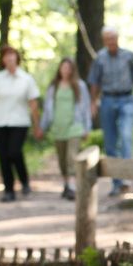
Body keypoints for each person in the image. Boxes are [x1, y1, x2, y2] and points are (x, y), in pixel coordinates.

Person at [87, 26, 133, 195]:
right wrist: (93, 102)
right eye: (107, 39)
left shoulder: (129, 56)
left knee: (126, 136)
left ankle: (126, 177)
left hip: (127, 99)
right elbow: (95, 83)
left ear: (117, 38)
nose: (111, 41)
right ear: (104, 40)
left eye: (113, 38)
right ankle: (116, 183)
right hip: (108, 100)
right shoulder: (100, 58)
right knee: (110, 142)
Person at [0, 46, 41, 202]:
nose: (10, 58)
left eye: (12, 55)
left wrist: (37, 126)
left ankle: (24, 180)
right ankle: (9, 189)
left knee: (14, 152)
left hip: (19, 122)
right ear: (3, 59)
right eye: (6, 56)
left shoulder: (26, 79)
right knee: (3, 157)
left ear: (17, 58)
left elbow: (33, 104)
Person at [40, 57, 91, 200]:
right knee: (62, 160)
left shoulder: (79, 86)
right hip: (58, 128)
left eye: (69, 68)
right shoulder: (53, 87)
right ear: (59, 69)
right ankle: (66, 185)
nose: (66, 70)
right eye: (63, 67)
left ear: (72, 69)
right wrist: (42, 128)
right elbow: (47, 109)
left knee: (71, 157)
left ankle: (73, 187)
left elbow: (86, 107)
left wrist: (87, 127)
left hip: (74, 127)